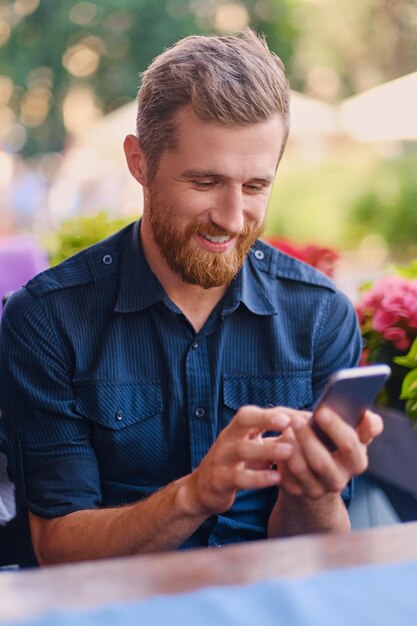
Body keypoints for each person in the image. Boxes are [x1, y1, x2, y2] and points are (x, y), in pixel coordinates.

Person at [0, 30, 382, 566]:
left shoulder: (319, 314)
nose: (231, 218)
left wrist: (312, 490)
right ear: (139, 162)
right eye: (205, 182)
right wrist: (195, 495)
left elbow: (314, 554)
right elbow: (57, 549)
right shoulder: (47, 318)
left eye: (254, 187)